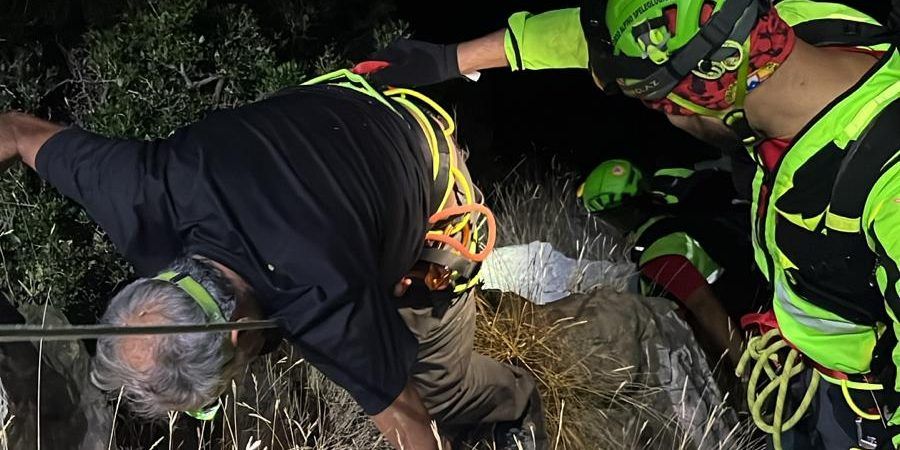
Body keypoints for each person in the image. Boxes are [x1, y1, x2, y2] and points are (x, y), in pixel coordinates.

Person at [0, 70, 546, 450]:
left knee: (442, 388)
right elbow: (16, 131)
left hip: (426, 170)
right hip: (336, 119)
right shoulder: (145, 191)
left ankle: (518, 408)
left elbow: (415, 428)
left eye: (217, 391)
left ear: (238, 333)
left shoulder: (325, 306)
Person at [578, 158, 757, 366]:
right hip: (752, 270)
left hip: (746, 313)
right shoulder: (669, 186)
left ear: (617, 215)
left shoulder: (659, 252)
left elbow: (705, 307)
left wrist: (746, 370)